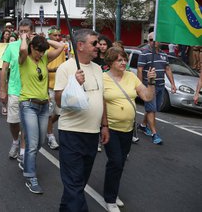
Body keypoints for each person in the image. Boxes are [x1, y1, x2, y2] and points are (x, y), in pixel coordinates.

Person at [54, 29, 110, 211]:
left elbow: (101, 98)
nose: (98, 47)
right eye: (94, 43)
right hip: (72, 134)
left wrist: (105, 125)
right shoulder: (66, 68)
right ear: (80, 45)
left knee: (78, 183)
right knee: (74, 184)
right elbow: (58, 100)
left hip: (92, 135)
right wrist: (74, 84)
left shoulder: (98, 68)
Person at [102, 47, 155, 212]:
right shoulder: (102, 78)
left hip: (128, 129)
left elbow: (147, 96)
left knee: (120, 162)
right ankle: (110, 199)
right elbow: (100, 104)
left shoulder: (131, 77)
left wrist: (151, 82)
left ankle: (113, 191)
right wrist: (104, 126)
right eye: (119, 60)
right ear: (110, 62)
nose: (124, 62)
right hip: (111, 128)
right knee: (116, 161)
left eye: (124, 59)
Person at [18, 34, 65, 194]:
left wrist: (44, 39)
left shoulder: (44, 58)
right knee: (32, 144)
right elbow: (23, 48)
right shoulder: (24, 59)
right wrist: (25, 37)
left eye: (42, 51)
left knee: (39, 142)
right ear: (32, 47)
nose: (40, 54)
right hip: (28, 104)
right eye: (38, 50)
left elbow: (60, 47)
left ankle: (25, 161)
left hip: (44, 106)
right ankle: (31, 177)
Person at [0, 19, 34, 163]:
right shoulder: (12, 46)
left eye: (26, 31)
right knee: (14, 122)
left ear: (32, 32)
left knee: (26, 124)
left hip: (31, 91)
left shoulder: (36, 47)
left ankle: (22, 151)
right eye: (21, 31)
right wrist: (2, 89)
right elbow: (4, 69)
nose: (23, 34)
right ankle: (15, 141)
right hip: (14, 89)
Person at [137, 32, 176, 144]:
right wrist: (140, 86)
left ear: (159, 41)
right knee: (151, 109)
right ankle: (155, 134)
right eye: (150, 40)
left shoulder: (164, 55)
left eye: (155, 40)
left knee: (154, 109)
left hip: (161, 86)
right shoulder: (144, 54)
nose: (153, 42)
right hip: (149, 86)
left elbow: (167, 69)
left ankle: (143, 125)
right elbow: (140, 70)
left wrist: (172, 84)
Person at [46, 26, 65, 150]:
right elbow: (39, 67)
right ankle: (50, 135)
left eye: (59, 35)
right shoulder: (45, 48)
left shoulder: (62, 49)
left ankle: (45, 127)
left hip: (60, 87)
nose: (58, 37)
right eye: (55, 35)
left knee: (58, 114)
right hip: (47, 86)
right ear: (50, 36)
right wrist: (53, 69)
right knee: (48, 113)